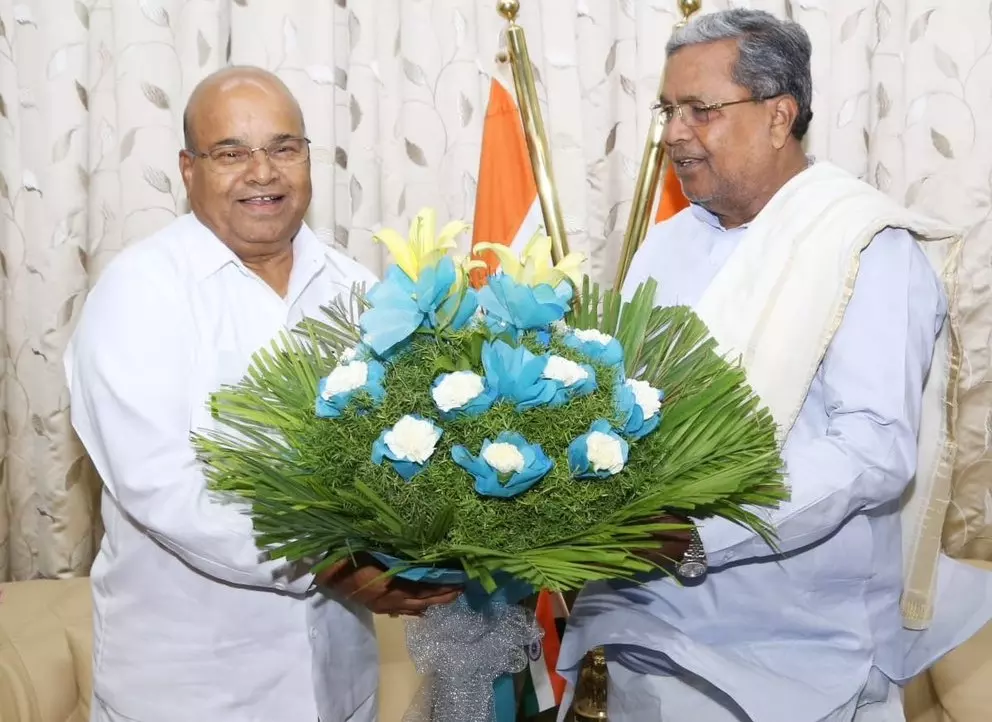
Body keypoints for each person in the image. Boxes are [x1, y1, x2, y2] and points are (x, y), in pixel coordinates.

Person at [557, 10, 992, 722]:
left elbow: (872, 449)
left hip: (796, 661)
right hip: (645, 637)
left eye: (701, 110)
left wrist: (697, 531)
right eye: (668, 110)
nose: (673, 133)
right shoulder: (664, 247)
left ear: (777, 116)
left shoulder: (864, 247)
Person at [65, 66, 459, 722]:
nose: (263, 172)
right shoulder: (138, 293)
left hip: (339, 686)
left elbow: (404, 450)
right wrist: (335, 566)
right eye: (231, 153)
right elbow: (165, 489)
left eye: (283, 148)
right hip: (190, 693)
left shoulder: (359, 290)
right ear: (189, 170)